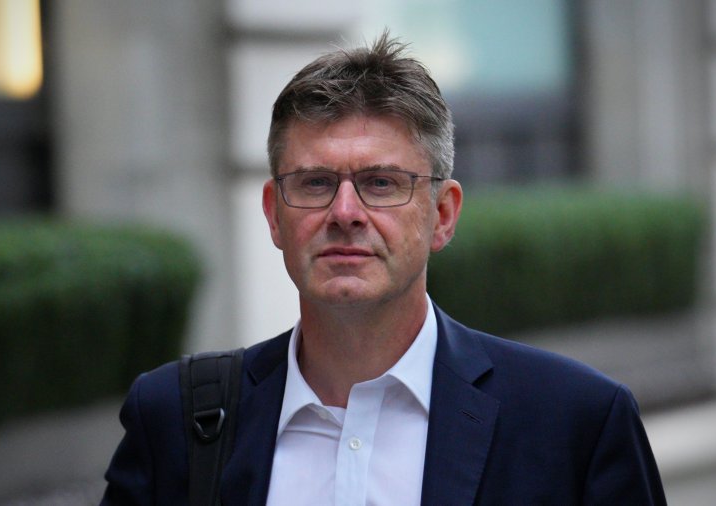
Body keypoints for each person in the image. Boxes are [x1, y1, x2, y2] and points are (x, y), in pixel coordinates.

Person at [101, 32, 667, 505]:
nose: (345, 213)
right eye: (316, 183)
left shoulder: (576, 426)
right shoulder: (174, 422)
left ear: (442, 215)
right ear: (275, 215)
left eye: (381, 183)